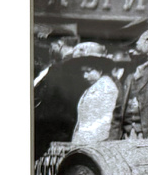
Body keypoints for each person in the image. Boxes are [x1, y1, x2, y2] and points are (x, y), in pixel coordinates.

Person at [34, 24, 85, 159]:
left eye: (52, 46)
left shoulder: (58, 70)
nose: (51, 50)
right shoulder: (83, 66)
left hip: (56, 138)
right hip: (75, 133)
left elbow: (48, 106)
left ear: (59, 45)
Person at [66, 42, 120, 145]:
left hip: (94, 143)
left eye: (88, 71)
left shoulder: (106, 87)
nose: (85, 76)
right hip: (84, 142)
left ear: (99, 70)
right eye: (83, 72)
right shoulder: (92, 87)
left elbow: (104, 122)